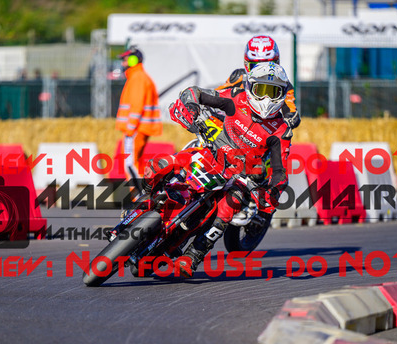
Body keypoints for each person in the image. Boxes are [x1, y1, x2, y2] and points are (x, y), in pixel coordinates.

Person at [168, 62, 292, 278]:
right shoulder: (236, 97)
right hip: (212, 151)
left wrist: (272, 191)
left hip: (240, 174)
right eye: (261, 90)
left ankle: (193, 255)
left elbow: (279, 170)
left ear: (282, 95)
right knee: (171, 163)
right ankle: (146, 197)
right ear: (250, 87)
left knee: (230, 206)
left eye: (273, 92)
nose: (266, 98)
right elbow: (196, 93)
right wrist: (192, 106)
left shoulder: (282, 129)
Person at [215, 35, 301, 130]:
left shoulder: (282, 84)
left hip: (263, 133)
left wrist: (283, 123)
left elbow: (292, 113)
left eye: (267, 64)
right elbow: (216, 94)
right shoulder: (239, 76)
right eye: (255, 66)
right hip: (234, 128)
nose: (261, 72)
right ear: (246, 63)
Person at [115, 46, 162, 183]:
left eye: (125, 59)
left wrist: (130, 128)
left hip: (135, 129)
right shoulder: (138, 77)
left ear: (133, 60)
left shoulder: (138, 78)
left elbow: (136, 106)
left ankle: (137, 193)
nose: (123, 63)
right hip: (139, 128)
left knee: (130, 163)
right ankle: (140, 193)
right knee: (136, 162)